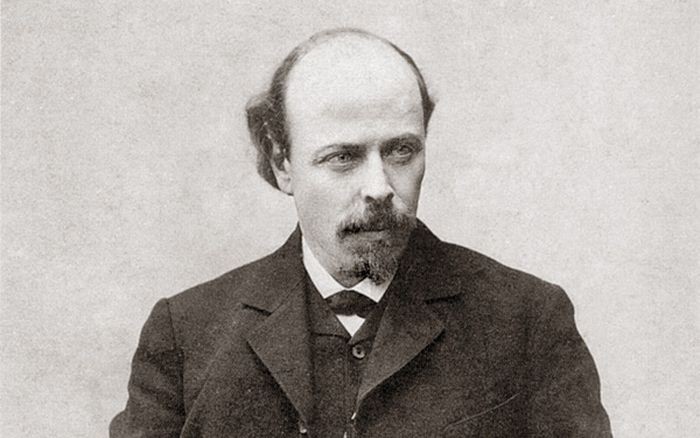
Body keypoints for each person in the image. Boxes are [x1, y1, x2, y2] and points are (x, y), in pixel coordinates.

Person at [111, 28, 611, 437]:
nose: (380, 187)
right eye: (343, 157)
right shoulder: (186, 335)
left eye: (401, 151)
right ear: (282, 163)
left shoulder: (527, 320)